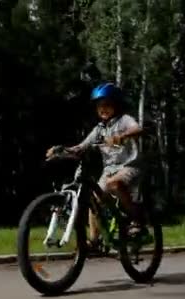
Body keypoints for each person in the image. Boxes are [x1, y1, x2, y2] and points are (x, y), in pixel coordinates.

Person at [46, 82, 145, 249]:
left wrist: (122, 136)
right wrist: (61, 151)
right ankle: (94, 240)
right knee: (94, 200)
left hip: (129, 165)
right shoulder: (99, 129)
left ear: (116, 104)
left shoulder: (124, 120)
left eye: (107, 105)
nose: (103, 109)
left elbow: (138, 129)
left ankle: (137, 221)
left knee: (114, 184)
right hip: (110, 169)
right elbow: (81, 147)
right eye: (99, 106)